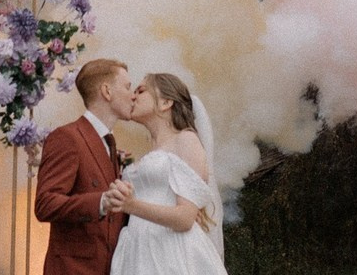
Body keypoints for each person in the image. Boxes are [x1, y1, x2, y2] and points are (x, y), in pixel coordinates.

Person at [106, 72, 227, 275]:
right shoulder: (149, 153)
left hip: (170, 252)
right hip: (136, 250)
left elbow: (185, 218)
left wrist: (131, 205)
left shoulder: (186, 140)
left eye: (141, 91)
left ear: (165, 103)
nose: (133, 97)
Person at [35, 57, 136, 275]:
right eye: (128, 87)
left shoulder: (108, 144)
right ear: (107, 92)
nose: (133, 95)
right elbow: (45, 203)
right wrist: (100, 201)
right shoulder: (67, 137)